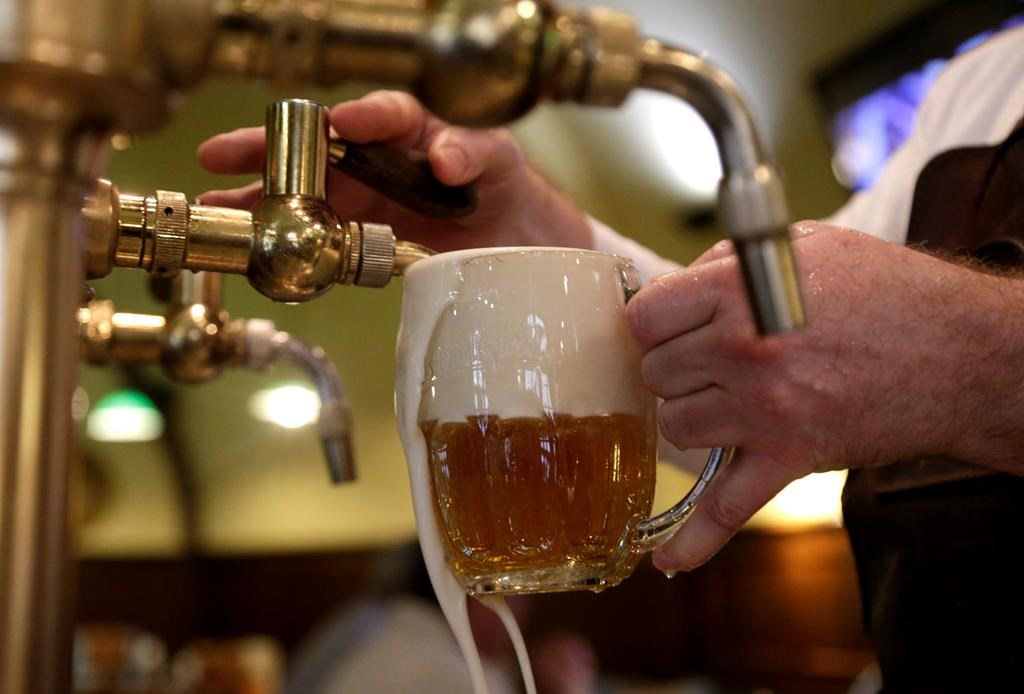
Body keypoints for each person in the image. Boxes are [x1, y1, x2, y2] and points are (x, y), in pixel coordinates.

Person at [198, 23, 1024, 689]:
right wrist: (521, 231)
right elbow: (770, 360)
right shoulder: (976, 87)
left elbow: (845, 342)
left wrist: (970, 351)